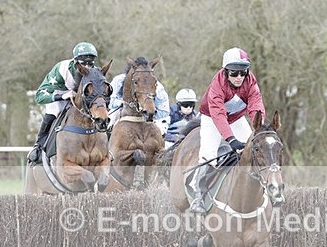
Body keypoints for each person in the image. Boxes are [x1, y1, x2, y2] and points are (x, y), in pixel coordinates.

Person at [189, 47, 265, 214]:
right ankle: (199, 196)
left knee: (256, 149)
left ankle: (265, 189)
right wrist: (231, 140)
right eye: (234, 73)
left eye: (243, 72)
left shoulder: (250, 81)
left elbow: (255, 106)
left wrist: (259, 127)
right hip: (211, 118)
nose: (239, 77)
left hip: (237, 118)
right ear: (225, 72)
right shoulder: (217, 84)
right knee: (209, 155)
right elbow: (218, 115)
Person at [29, 42, 99, 163]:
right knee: (53, 112)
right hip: (60, 100)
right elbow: (39, 96)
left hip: (82, 103)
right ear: (75, 61)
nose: (87, 67)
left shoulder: (95, 72)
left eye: (90, 64)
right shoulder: (61, 69)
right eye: (83, 63)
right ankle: (39, 146)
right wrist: (63, 95)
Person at [108, 70, 171, 137]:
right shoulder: (119, 80)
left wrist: (151, 111)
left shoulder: (157, 85)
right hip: (121, 111)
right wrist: (120, 102)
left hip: (151, 116)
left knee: (160, 132)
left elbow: (165, 111)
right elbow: (110, 102)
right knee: (108, 122)